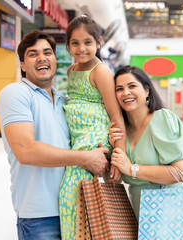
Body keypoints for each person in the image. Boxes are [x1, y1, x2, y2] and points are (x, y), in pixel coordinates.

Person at [0, 30, 110, 240]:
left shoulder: (64, 102)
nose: (42, 58)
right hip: (39, 216)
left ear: (55, 60)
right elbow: (26, 151)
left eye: (47, 52)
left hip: (75, 206)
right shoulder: (15, 93)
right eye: (33, 54)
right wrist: (85, 158)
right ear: (22, 65)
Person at [59, 15, 126, 239]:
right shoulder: (71, 71)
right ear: (67, 45)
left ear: (98, 43)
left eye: (88, 42)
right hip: (78, 145)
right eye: (75, 43)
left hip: (95, 144)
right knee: (78, 205)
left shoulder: (100, 71)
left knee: (72, 195)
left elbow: (116, 117)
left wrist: (119, 158)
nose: (81, 48)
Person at [107, 65, 183, 218]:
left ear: (146, 90)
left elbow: (181, 172)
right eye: (119, 89)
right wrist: (113, 153)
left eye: (132, 86)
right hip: (138, 216)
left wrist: (132, 169)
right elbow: (114, 182)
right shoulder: (119, 131)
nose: (126, 93)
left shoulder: (162, 119)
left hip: (170, 215)